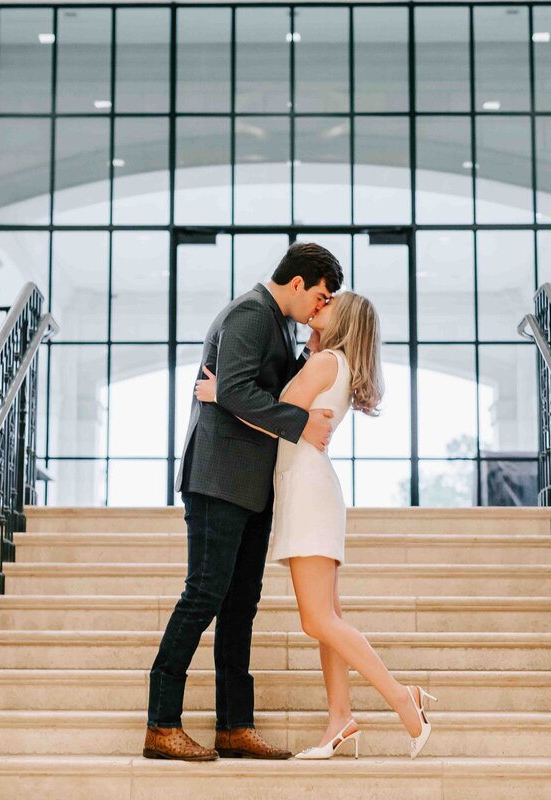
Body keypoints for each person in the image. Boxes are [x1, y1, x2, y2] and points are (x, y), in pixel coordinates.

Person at [194, 290, 436, 760]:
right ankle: (340, 720)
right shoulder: (328, 361)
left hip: (307, 491)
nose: (318, 305)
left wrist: (221, 394)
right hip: (308, 488)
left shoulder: (327, 364)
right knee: (330, 618)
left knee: (317, 619)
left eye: (329, 303)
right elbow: (291, 416)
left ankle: (403, 699)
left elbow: (274, 419)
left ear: (341, 318)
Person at [143, 242, 342, 762]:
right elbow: (232, 390)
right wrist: (300, 424)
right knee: (204, 594)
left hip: (250, 485)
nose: (321, 308)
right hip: (218, 479)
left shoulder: (279, 324)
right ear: (298, 284)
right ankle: (161, 723)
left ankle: (234, 727)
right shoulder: (253, 313)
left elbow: (259, 388)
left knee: (240, 606)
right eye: (320, 297)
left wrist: (311, 348)